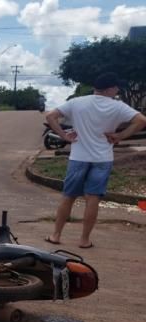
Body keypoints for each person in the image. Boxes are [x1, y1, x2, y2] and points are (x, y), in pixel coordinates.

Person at [45, 71, 146, 248]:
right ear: (111, 88)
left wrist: (63, 136)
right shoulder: (118, 106)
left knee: (68, 197)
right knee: (93, 199)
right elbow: (141, 120)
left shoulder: (77, 102)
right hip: (102, 159)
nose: (117, 91)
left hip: (78, 157)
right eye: (116, 88)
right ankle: (84, 240)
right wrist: (120, 135)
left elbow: (50, 116)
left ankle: (55, 235)